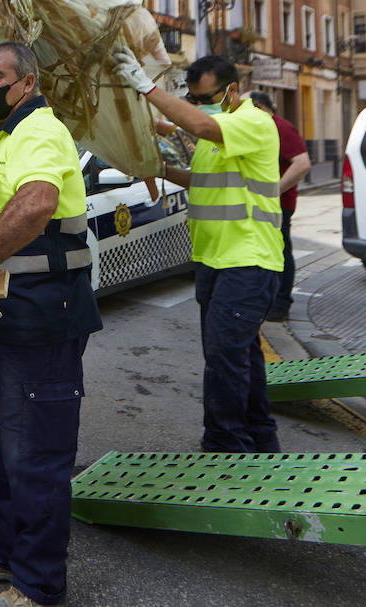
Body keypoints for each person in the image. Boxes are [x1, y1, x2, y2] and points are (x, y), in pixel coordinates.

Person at [0, 41, 99, 607]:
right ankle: (1, 551)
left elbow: (34, 204)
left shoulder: (40, 132)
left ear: (26, 83)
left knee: (34, 454)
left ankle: (38, 582)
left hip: (40, 317)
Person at [112, 49, 283, 453]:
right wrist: (161, 169)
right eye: (194, 99)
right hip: (214, 260)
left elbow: (199, 125)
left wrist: (147, 87)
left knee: (224, 356)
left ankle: (225, 445)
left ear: (232, 91)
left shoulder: (253, 122)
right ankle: (261, 437)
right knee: (241, 355)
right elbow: (202, 181)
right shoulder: (216, 131)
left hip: (249, 260)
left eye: (206, 98)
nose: (200, 106)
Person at [250, 91, 311, 322]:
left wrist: (273, 191)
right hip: (263, 202)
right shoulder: (262, 126)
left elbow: (302, 163)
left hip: (277, 204)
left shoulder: (280, 127)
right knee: (268, 251)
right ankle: (269, 300)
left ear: (261, 108)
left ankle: (280, 303)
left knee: (280, 251)